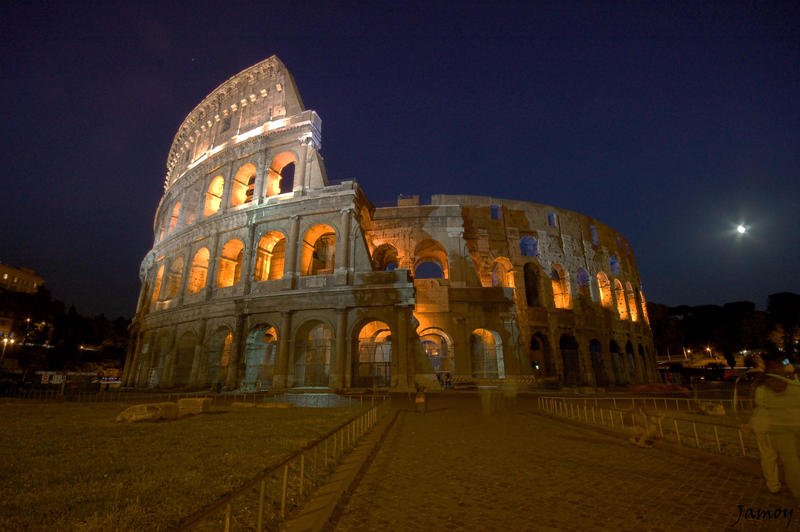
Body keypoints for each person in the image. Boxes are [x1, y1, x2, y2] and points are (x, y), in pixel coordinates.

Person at [746, 351, 800, 498]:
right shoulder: (791, 385)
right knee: (790, 459)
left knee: (768, 457)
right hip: (783, 426)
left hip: (763, 425)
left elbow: (756, 404)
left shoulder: (761, 385)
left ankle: (773, 485)